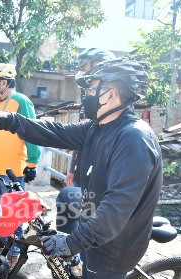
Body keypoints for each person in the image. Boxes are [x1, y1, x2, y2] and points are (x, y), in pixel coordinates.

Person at [0, 59, 162, 279]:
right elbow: (55, 131)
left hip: (114, 246)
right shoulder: (99, 127)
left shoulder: (133, 138)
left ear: (111, 95)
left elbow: (116, 209)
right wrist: (9, 120)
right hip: (96, 228)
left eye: (91, 90)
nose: (86, 96)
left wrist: (72, 242)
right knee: (67, 195)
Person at [0, 63, 41, 267]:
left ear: (3, 83)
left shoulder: (20, 101)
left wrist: (32, 163)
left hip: (11, 170)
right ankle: (5, 239)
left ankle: (15, 250)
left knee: (13, 212)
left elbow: (32, 132)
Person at [58, 48, 116, 234]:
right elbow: (80, 141)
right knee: (75, 211)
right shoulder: (88, 104)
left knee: (91, 219)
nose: (82, 71)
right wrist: (72, 169)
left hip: (102, 178)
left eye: (85, 66)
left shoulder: (115, 110)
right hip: (84, 170)